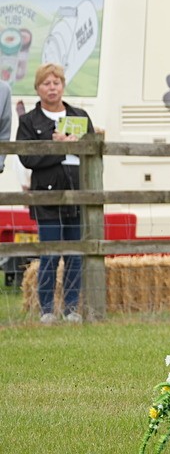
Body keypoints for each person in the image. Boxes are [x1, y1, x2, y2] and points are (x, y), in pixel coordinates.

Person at [17, 63, 95, 323]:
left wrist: (80, 144)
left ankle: (72, 308)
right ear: (38, 88)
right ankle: (47, 309)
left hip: (78, 195)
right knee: (50, 253)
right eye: (46, 84)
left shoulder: (80, 116)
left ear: (63, 85)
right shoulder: (29, 121)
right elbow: (28, 158)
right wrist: (58, 147)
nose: (52, 88)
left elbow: (92, 151)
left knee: (75, 253)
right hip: (46, 198)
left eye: (56, 83)